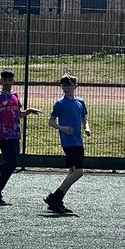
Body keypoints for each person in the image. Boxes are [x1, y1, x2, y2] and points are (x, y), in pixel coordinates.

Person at [0, 68, 41, 204]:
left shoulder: (15, 96)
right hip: (4, 134)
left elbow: (19, 114)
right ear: (0, 80)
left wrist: (29, 111)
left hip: (15, 133)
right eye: (4, 80)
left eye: (9, 80)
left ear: (13, 81)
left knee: (12, 164)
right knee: (11, 163)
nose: (6, 82)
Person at [45, 74, 91, 215]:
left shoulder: (80, 102)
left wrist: (87, 128)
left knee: (72, 172)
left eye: (69, 84)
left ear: (75, 86)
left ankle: (57, 201)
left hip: (78, 140)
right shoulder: (60, 103)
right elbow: (51, 121)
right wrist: (62, 128)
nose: (66, 87)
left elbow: (84, 119)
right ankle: (55, 198)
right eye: (64, 84)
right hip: (69, 142)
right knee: (79, 172)